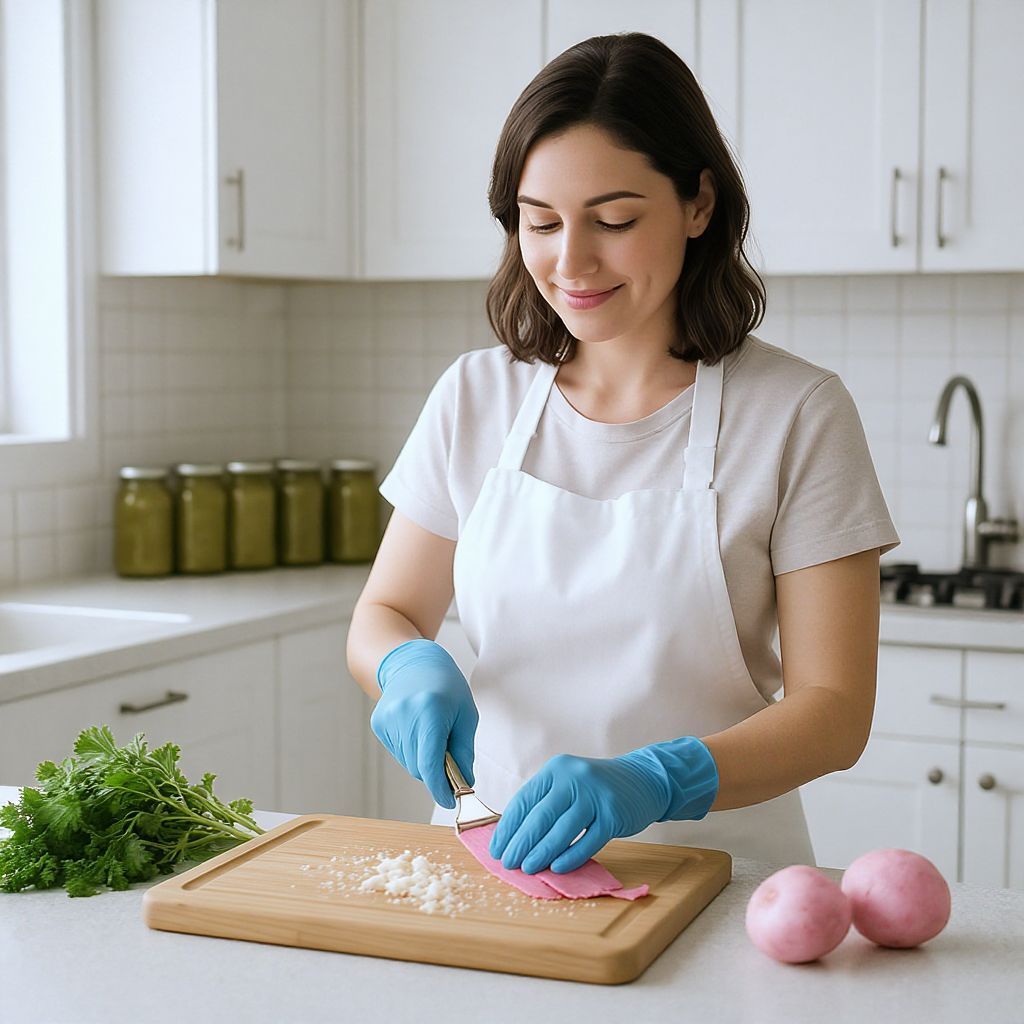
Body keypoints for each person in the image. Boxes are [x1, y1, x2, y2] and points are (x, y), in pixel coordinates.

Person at [346, 32, 900, 873]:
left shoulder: (797, 413)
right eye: (541, 223)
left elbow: (835, 711)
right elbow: (383, 613)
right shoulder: (475, 397)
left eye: (614, 220)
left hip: (719, 877)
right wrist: (406, 664)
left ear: (698, 205)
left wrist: (660, 777)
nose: (571, 262)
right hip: (492, 861)